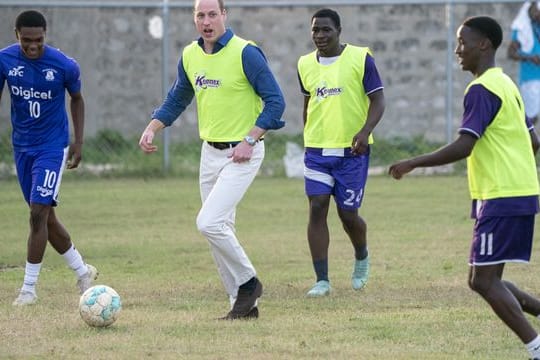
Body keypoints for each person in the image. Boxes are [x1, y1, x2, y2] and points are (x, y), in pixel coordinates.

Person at [389, 16, 540, 359]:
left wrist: (413, 162)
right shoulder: (507, 85)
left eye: (462, 42)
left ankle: (536, 347)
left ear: (483, 44)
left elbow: (464, 145)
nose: (457, 50)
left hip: (501, 195)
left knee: (485, 282)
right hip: (519, 190)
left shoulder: (482, 89)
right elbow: (533, 141)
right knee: (482, 279)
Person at [139, 0, 285, 320]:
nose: (207, 21)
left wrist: (250, 139)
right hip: (210, 153)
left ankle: (249, 282)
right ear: (194, 19)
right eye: (200, 15)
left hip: (242, 153)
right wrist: (152, 128)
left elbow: (276, 103)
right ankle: (242, 305)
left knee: (208, 222)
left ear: (224, 16)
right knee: (218, 230)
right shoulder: (190, 56)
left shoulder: (246, 52)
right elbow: (177, 98)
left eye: (212, 14)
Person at [0, 10, 98, 306]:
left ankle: (28, 290)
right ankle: (83, 271)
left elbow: (77, 99)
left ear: (46, 35)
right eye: (27, 40)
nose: (33, 46)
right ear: (16, 35)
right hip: (22, 147)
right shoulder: (4, 60)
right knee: (45, 217)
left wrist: (78, 142)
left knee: (37, 213)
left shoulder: (63, 65)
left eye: (39, 40)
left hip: (52, 147)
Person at [297, 8, 385, 297]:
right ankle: (322, 280)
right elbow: (308, 103)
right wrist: (308, 135)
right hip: (317, 150)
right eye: (315, 31)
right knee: (317, 207)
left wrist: (364, 132)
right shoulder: (305, 64)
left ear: (339, 31)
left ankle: (361, 255)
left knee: (348, 214)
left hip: (352, 150)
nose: (320, 36)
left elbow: (378, 101)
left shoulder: (361, 58)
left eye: (326, 30)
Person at [508, 1, 540, 124]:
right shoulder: (522, 28)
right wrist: (530, 58)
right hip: (531, 79)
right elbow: (510, 53)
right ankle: (525, 142)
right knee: (530, 117)